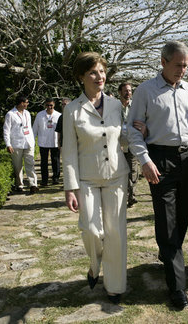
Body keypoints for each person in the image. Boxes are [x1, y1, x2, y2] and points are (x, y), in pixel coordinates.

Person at [127, 41, 188, 309]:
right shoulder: (146, 91)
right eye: (178, 65)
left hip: (187, 160)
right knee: (167, 220)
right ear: (163, 62)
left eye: (186, 65)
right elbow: (132, 129)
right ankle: (177, 286)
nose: (182, 70)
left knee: (182, 217)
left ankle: (168, 251)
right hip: (160, 160)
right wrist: (144, 160)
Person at [62, 52, 129, 304]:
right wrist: (70, 188)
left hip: (116, 176)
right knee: (91, 230)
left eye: (101, 71)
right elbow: (68, 152)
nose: (99, 76)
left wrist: (136, 131)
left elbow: (119, 139)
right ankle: (95, 263)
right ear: (81, 77)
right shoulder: (71, 110)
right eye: (92, 72)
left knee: (116, 233)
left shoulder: (115, 105)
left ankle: (115, 286)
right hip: (87, 179)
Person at [3, 95, 39, 194]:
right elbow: (6, 130)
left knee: (30, 164)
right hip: (17, 143)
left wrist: (33, 141)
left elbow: (29, 128)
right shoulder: (10, 114)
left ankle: (33, 184)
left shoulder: (27, 113)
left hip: (28, 142)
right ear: (21, 103)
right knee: (18, 166)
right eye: (26, 102)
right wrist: (8, 144)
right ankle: (19, 185)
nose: (27, 104)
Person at [118, 82, 140, 208]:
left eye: (130, 91)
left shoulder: (135, 107)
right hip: (118, 144)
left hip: (132, 142)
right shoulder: (115, 108)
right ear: (120, 92)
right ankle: (129, 194)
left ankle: (131, 195)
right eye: (126, 91)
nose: (128, 93)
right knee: (123, 171)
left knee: (133, 170)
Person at [33, 98, 62, 185]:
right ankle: (44, 180)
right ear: (45, 105)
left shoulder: (58, 115)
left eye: (51, 105)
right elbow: (35, 128)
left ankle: (55, 178)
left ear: (54, 105)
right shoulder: (40, 115)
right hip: (43, 142)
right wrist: (32, 140)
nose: (49, 107)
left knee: (55, 161)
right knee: (44, 162)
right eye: (47, 105)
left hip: (55, 141)